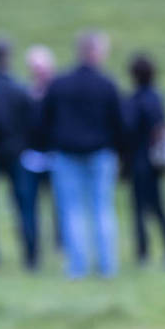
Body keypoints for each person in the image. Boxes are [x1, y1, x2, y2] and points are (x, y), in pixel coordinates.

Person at [41, 30, 125, 278]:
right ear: (97, 52)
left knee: (72, 211)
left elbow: (44, 119)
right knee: (102, 209)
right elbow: (119, 122)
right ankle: (106, 266)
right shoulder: (107, 84)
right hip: (99, 153)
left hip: (66, 154)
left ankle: (77, 267)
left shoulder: (60, 84)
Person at [0, 37, 38, 268]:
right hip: (17, 152)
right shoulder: (19, 88)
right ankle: (31, 256)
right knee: (25, 206)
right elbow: (31, 123)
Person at [124, 52, 165, 267]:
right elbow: (163, 126)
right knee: (158, 207)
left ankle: (143, 254)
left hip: (138, 160)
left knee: (139, 210)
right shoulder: (156, 97)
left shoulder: (133, 99)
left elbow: (127, 130)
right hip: (155, 162)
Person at [19, 44, 60, 264]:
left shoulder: (59, 93)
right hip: (30, 158)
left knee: (60, 207)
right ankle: (31, 255)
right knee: (29, 209)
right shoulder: (25, 93)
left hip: (55, 157)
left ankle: (63, 248)